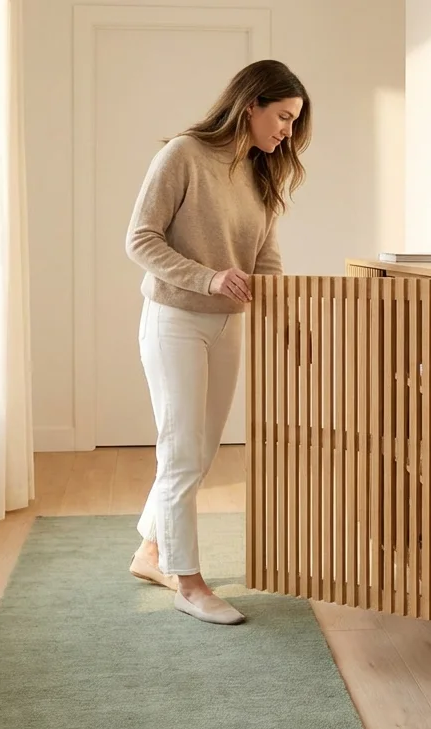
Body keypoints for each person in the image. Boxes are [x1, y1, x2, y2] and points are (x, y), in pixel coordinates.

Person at [123, 60, 310, 625]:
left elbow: (266, 263)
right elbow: (140, 239)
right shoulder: (182, 155)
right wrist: (207, 277)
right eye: (282, 117)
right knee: (181, 452)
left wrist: (289, 322)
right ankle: (188, 582)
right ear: (250, 104)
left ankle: (151, 550)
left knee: (200, 454)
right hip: (174, 318)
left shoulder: (263, 176)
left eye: (294, 123)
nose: (286, 132)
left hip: (227, 325)